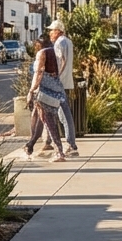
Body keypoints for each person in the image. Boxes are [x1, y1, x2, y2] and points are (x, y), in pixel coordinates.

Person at [22, 34, 67, 162]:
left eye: (36, 45)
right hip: (56, 87)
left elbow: (38, 73)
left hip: (44, 90)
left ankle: (59, 152)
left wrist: (31, 90)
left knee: (48, 119)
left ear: (40, 44)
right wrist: (56, 75)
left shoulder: (42, 53)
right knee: (39, 116)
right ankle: (30, 145)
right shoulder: (55, 51)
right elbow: (63, 62)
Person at [46, 19, 79, 157]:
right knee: (60, 112)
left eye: (52, 31)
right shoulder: (68, 42)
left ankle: (70, 144)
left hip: (59, 83)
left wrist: (56, 75)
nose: (50, 33)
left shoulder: (59, 43)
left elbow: (62, 60)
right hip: (66, 82)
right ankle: (50, 141)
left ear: (58, 31)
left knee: (62, 113)